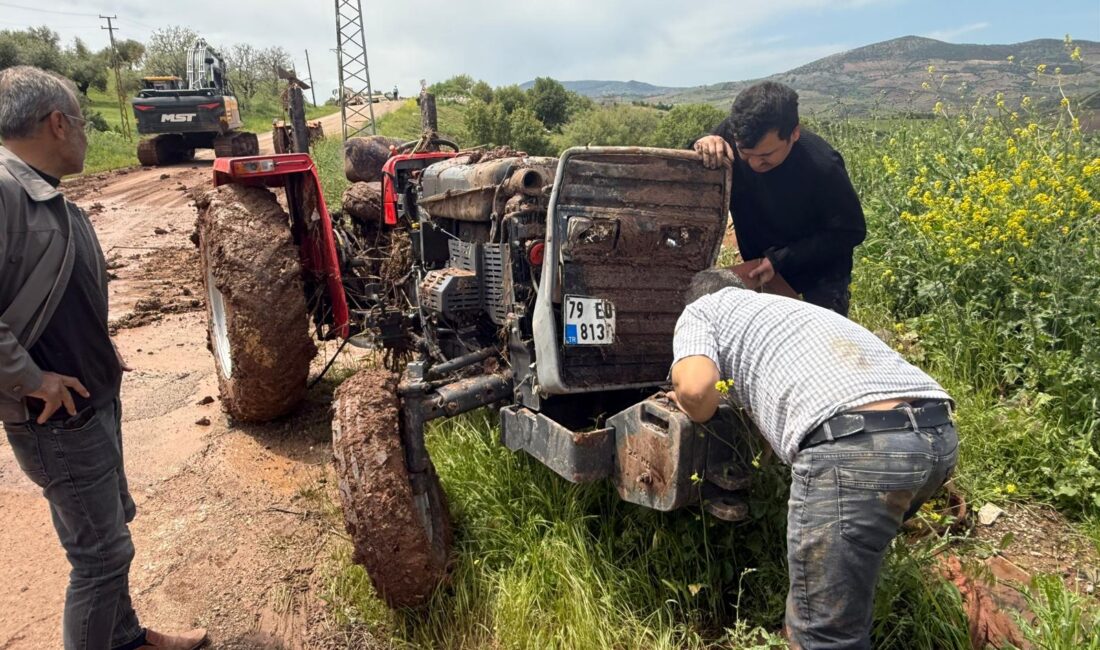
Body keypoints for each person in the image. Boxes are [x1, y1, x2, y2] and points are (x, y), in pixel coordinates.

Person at [0, 66, 207, 650]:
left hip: (90, 401)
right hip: (55, 416)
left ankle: (124, 638)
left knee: (112, 532)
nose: (87, 135)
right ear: (58, 123)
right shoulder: (5, 191)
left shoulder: (39, 192)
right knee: (99, 557)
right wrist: (32, 378)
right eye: (83, 123)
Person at [669, 269, 958, 650]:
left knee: (824, 637)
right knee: (844, 584)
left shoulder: (703, 310)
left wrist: (685, 399)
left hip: (859, 451)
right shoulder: (784, 310)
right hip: (937, 436)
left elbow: (695, 389)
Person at [694, 81, 865, 316]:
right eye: (745, 154)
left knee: (818, 343)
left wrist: (780, 259)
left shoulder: (822, 165)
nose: (754, 164)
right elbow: (691, 167)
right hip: (761, 268)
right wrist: (703, 142)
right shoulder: (733, 136)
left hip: (819, 274)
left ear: (794, 133)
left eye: (765, 156)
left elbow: (851, 230)